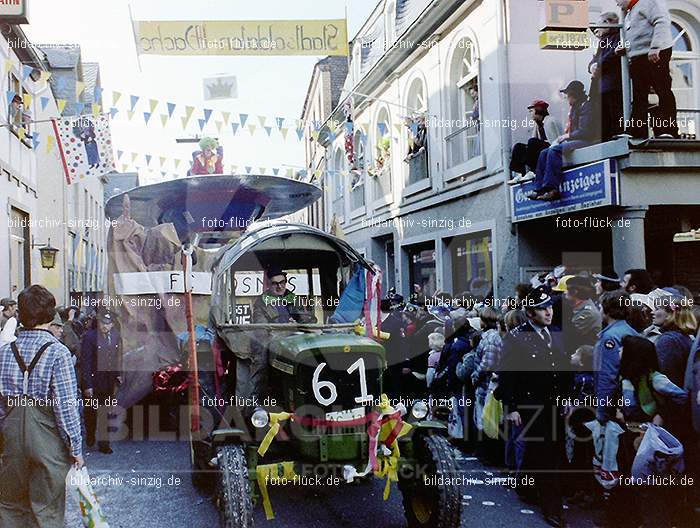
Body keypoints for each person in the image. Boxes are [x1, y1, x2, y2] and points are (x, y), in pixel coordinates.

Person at [0, 285, 83, 527]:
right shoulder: (58, 353)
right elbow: (66, 406)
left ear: (20, 315)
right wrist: (75, 447)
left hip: (12, 436)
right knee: (46, 509)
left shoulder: (4, 352)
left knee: (9, 506)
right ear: (49, 316)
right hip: (47, 440)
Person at [496, 287, 571, 527]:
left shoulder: (556, 333)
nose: (548, 312)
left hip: (554, 404)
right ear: (530, 313)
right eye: (542, 308)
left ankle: (526, 486)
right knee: (545, 454)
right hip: (530, 404)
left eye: (549, 307)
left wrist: (567, 397)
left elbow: (564, 370)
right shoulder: (517, 337)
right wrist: (512, 407)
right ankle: (553, 508)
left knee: (545, 450)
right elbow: (508, 375)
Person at [616, 0, 678, 139]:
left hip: (654, 53)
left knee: (662, 90)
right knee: (639, 95)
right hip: (640, 55)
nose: (617, 3)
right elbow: (638, 34)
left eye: (617, 0)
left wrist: (656, 46)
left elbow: (661, 21)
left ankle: (667, 130)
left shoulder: (649, 2)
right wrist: (626, 47)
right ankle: (637, 131)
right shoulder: (629, 13)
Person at [528, 81, 598, 201]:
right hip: (577, 140)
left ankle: (552, 188)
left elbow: (585, 131)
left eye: (567, 95)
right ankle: (539, 188)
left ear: (573, 94)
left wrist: (566, 136)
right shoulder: (575, 108)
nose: (566, 98)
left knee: (554, 150)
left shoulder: (585, 106)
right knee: (544, 152)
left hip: (587, 140)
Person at [593, 291, 639, 423]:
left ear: (607, 310)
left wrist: (602, 411)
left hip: (614, 406)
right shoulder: (631, 331)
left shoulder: (610, 337)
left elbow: (607, 375)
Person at [81, 311, 122, 454]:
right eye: (103, 323)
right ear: (98, 323)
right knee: (91, 412)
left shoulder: (116, 336)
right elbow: (85, 362)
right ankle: (91, 434)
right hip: (93, 381)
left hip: (108, 382)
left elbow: (116, 358)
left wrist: (118, 375)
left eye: (108, 323)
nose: (105, 326)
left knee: (106, 413)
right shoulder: (90, 337)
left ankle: (104, 444)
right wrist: (87, 385)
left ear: (112, 324)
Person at [508, 100, 564, 185]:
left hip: (553, 149)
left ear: (538, 110)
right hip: (543, 149)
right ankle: (520, 173)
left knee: (532, 142)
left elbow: (555, 140)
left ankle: (533, 171)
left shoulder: (550, 121)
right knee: (518, 146)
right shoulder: (537, 125)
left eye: (531, 111)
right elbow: (533, 140)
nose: (530, 114)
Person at [589, 12, 624, 141]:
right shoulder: (604, 41)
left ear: (608, 23)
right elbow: (595, 60)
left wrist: (597, 65)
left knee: (613, 117)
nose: (597, 29)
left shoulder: (618, 37)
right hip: (603, 86)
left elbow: (613, 56)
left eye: (600, 24)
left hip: (612, 85)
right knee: (604, 119)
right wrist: (592, 66)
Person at [654, 295, 697, 388]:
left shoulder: (668, 340)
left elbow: (667, 378)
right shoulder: (683, 336)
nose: (653, 312)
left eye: (657, 309)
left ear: (670, 314)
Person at [564, 276, 602, 353]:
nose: (565, 292)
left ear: (575, 292)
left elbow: (568, 334)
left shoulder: (588, 313)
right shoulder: (578, 306)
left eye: (567, 289)